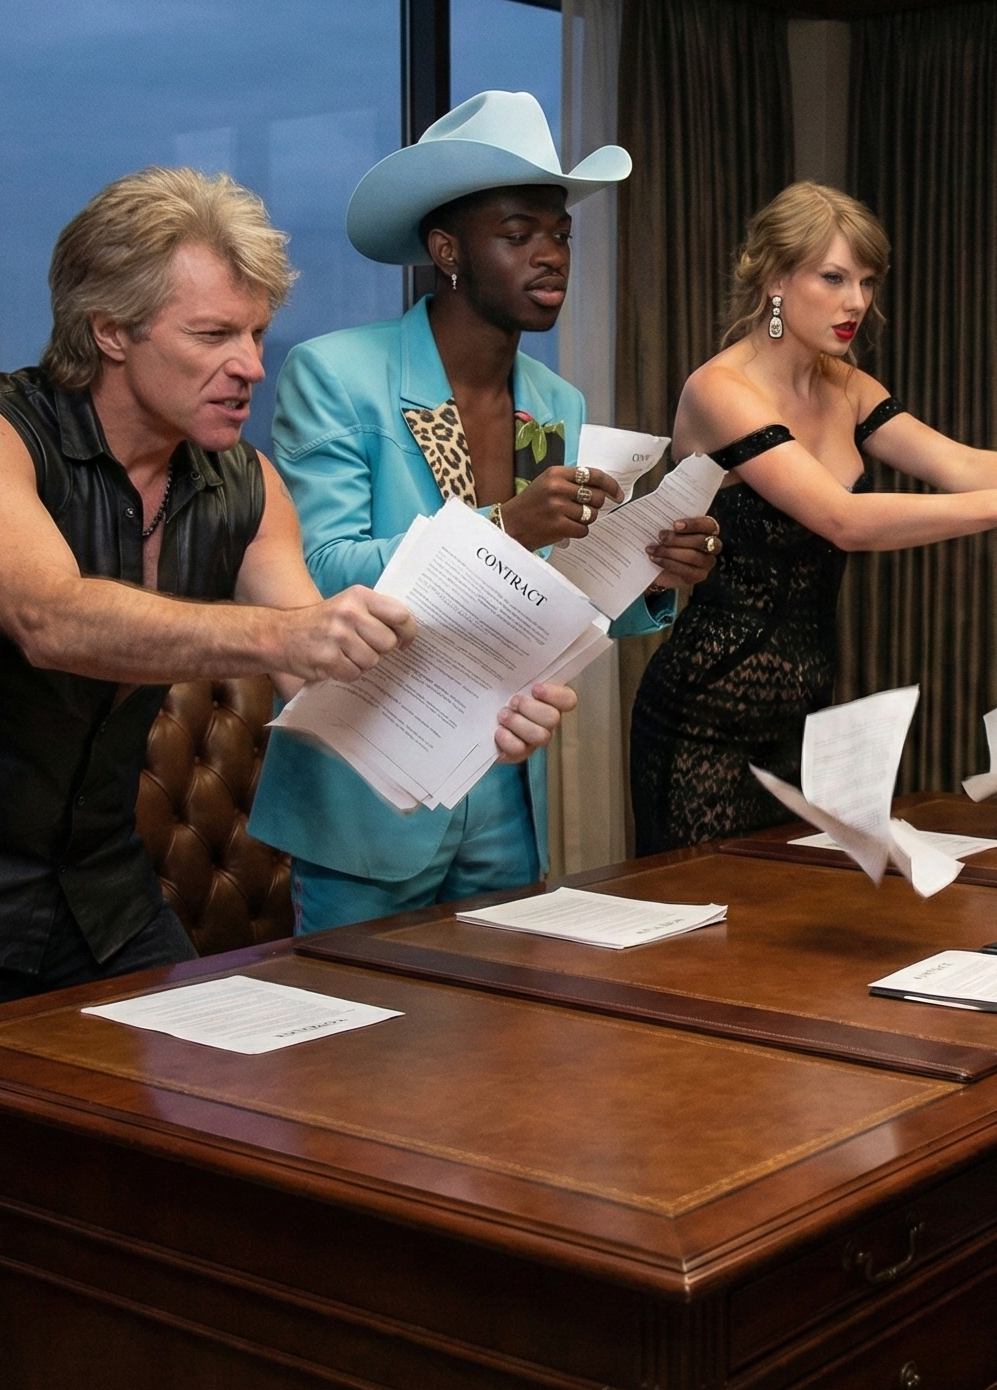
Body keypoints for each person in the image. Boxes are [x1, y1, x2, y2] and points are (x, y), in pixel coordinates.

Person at [0, 166, 576, 1390]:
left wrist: (477, 699)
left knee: (194, 1183)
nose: (249, 367)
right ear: (106, 332)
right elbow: (48, 613)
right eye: (214, 338)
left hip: (100, 893)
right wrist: (313, 636)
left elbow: (314, 643)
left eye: (256, 337)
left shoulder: (236, 479)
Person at [248, 91, 721, 928]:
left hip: (505, 782)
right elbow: (317, 577)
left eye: (561, 234)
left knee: (499, 1039)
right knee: (360, 1044)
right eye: (518, 234)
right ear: (447, 250)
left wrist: (653, 574)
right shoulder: (336, 374)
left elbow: (541, 595)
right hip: (368, 779)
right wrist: (508, 523)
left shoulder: (554, 401)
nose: (551, 256)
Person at [629, 181, 997, 855]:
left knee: (787, 936)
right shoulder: (721, 390)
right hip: (705, 713)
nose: (856, 302)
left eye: (867, 281)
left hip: (806, 715)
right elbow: (842, 519)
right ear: (775, 278)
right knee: (699, 936)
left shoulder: (848, 387)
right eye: (833, 277)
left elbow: (961, 464)